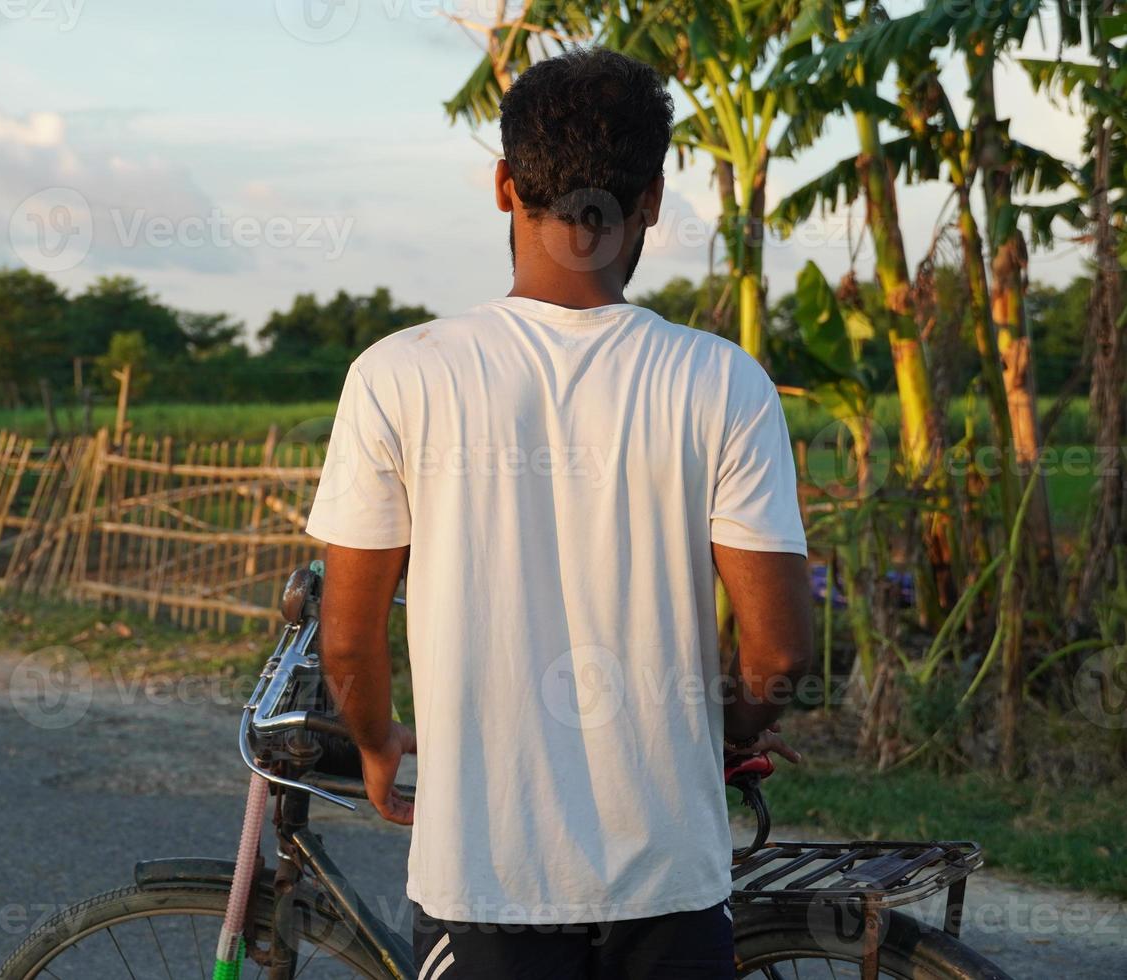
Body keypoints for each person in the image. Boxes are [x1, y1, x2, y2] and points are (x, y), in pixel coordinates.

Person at [305, 48, 814, 979]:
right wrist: (726, 737)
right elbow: (779, 653)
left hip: (485, 885)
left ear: (504, 185)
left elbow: (348, 643)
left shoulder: (399, 374)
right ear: (652, 201)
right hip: (673, 885)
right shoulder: (723, 382)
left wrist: (376, 746)